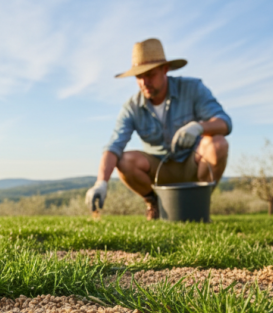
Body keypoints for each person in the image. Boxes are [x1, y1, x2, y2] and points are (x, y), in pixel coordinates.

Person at [85, 38, 232, 220]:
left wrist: (198, 127)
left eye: (150, 74)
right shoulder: (132, 107)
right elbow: (114, 146)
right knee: (124, 161)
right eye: (139, 77)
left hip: (193, 164)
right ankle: (155, 204)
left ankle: (197, 203)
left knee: (218, 144)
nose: (144, 82)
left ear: (165, 69)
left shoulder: (192, 89)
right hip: (159, 170)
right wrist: (101, 182)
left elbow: (224, 123)